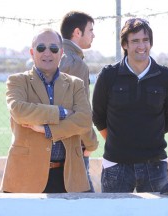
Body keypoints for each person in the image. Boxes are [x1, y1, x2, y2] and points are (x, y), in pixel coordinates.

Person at [92, 18, 168, 192]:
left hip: (155, 166)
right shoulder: (108, 75)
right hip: (116, 166)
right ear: (125, 44)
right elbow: (98, 117)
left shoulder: (166, 77)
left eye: (145, 40)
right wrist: (118, 142)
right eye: (135, 41)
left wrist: (147, 140)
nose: (141, 46)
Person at [1, 28, 93, 193]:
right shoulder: (17, 81)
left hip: (69, 177)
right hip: (25, 177)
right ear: (32, 52)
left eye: (54, 48)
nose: (47, 53)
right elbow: (19, 111)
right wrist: (62, 113)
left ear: (61, 53)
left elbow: (84, 120)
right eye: (41, 48)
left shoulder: (75, 84)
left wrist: (47, 129)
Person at [59, 11, 98, 192]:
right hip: (74, 143)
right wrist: (88, 143)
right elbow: (79, 109)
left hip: (53, 140)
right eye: (90, 30)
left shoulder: (55, 56)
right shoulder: (75, 63)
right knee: (85, 200)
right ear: (77, 32)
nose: (93, 35)